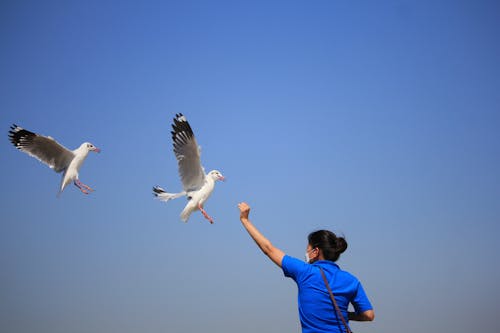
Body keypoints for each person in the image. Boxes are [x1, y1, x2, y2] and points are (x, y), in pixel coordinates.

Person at [237, 202, 374, 333]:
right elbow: (369, 315)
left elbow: (268, 249)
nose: (306, 252)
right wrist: (347, 316)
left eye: (308, 248)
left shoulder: (305, 272)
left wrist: (245, 220)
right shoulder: (351, 280)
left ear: (315, 252)